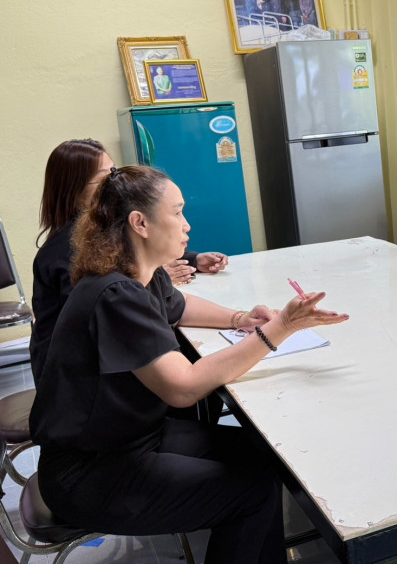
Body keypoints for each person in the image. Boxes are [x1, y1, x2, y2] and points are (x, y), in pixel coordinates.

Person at [29, 165, 348, 564]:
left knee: (265, 456)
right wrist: (280, 327)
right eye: (177, 212)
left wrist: (240, 318)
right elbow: (183, 388)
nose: (187, 224)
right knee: (252, 493)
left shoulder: (141, 273)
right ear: (140, 223)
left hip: (133, 438)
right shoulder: (115, 294)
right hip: (91, 471)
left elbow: (179, 307)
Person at [30, 139, 228, 382]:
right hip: (75, 377)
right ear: (73, 189)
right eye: (104, 178)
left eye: (114, 171)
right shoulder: (68, 253)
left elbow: (136, 250)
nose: (114, 182)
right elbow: (104, 314)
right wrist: (146, 277)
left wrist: (193, 259)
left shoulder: (101, 234)